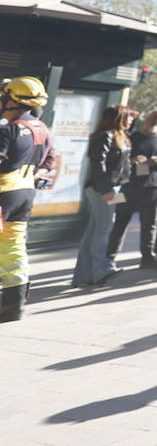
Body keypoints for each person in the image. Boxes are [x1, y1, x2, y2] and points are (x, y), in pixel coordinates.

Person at [0, 77, 49, 322]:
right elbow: (47, 160)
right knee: (12, 248)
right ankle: (13, 306)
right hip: (25, 194)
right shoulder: (41, 127)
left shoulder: (7, 130)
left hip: (3, 193)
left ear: (12, 100)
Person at [72, 105, 135, 288]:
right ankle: (102, 269)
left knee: (95, 229)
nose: (131, 120)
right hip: (104, 189)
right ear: (119, 118)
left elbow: (117, 165)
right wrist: (105, 190)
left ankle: (83, 276)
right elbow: (97, 165)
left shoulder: (121, 137)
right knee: (104, 229)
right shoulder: (105, 136)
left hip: (113, 188)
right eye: (128, 117)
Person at [107, 107, 157, 269]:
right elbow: (118, 160)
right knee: (120, 221)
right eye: (155, 117)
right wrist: (132, 161)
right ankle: (109, 257)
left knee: (150, 223)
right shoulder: (132, 137)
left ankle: (147, 257)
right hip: (128, 186)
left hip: (155, 186)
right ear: (147, 118)